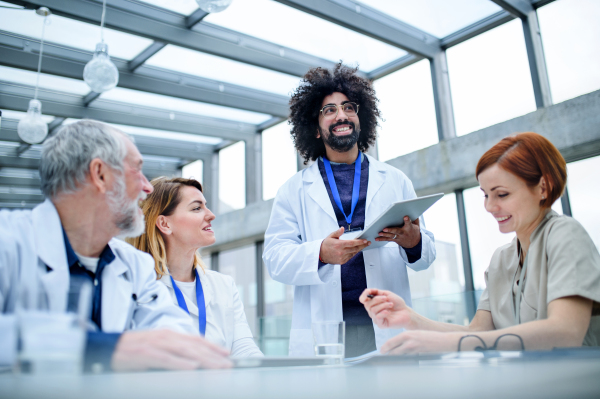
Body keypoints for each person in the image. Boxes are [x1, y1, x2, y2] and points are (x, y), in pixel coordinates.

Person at [0, 120, 231, 371]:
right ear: (100, 174)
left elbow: (174, 334)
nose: (147, 187)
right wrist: (100, 348)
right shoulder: (8, 241)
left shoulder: (133, 264)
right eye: (137, 170)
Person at [361, 132, 600, 354]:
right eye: (486, 195)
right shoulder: (502, 260)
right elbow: (477, 333)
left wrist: (446, 343)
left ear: (543, 187)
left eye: (502, 194)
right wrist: (410, 318)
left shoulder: (565, 235)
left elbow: (566, 332)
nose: (489, 207)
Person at [263, 63, 436, 357]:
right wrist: (320, 252)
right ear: (315, 129)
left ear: (360, 118)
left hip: (386, 323)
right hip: (326, 328)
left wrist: (413, 242)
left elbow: (426, 258)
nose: (341, 115)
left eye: (348, 107)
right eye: (329, 110)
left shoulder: (395, 180)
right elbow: (275, 259)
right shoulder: (293, 190)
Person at [127, 177, 263, 357]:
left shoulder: (224, 285)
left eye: (205, 206)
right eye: (197, 208)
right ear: (165, 224)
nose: (211, 215)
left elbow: (245, 350)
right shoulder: (135, 287)